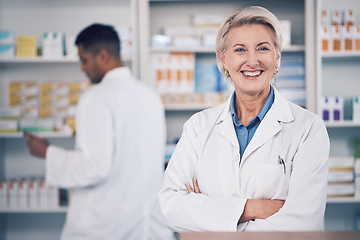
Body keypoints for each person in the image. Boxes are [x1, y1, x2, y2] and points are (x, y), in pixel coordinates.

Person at [158, 6, 330, 232]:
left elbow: (303, 222)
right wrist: (252, 208)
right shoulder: (198, 127)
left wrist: (208, 212)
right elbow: (170, 207)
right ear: (224, 59)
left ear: (276, 56)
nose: (252, 61)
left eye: (263, 48)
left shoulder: (308, 129)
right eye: (240, 50)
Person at [24, 23, 174, 240]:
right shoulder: (150, 96)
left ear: (103, 56)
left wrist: (47, 152)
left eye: (84, 60)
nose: (82, 68)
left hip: (108, 226)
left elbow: (94, 167)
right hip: (147, 223)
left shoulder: (96, 99)